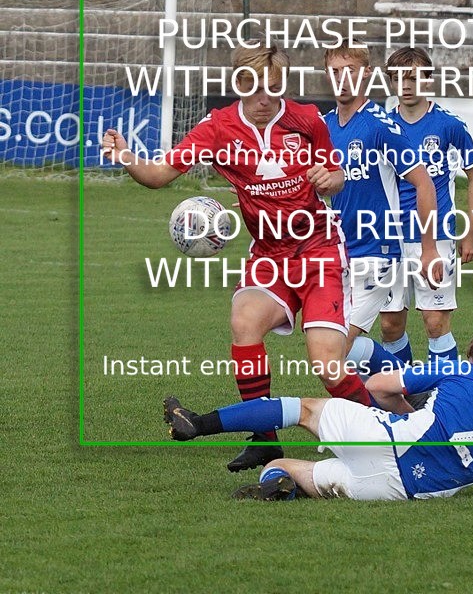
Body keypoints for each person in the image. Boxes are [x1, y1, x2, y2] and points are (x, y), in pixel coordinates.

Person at [101, 41, 372, 473]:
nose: (264, 98)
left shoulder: (306, 121)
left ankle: (387, 430)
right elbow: (158, 176)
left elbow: (335, 177)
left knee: (327, 367)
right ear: (238, 83)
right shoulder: (218, 128)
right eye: (252, 87)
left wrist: (331, 178)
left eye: (273, 87)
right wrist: (126, 156)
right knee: (244, 322)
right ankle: (265, 441)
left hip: (319, 251)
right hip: (268, 256)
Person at [164, 323, 473, 501]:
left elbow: (378, 386)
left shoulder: (463, 368)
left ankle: (198, 423)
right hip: (401, 491)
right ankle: (280, 486)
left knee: (305, 410)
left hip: (392, 440)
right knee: (281, 471)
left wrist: (403, 410)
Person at [321, 45, 442, 366]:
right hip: (340, 254)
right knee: (331, 351)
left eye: (350, 71)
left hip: (380, 253)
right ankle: (409, 391)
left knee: (334, 348)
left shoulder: (380, 126)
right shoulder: (323, 127)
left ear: (367, 75)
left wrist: (429, 250)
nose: (342, 79)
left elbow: (424, 182)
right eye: (335, 72)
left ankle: (409, 392)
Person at [380, 47, 473, 365]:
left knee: (435, 322)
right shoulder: (380, 126)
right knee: (389, 325)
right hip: (388, 237)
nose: (406, 85)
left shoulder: (449, 125)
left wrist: (471, 232)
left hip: (436, 236)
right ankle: (404, 397)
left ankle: (444, 400)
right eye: (399, 78)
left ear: (428, 81)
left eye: (414, 78)